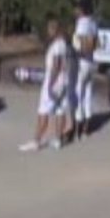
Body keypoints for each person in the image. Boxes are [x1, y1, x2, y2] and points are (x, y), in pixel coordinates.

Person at [19, 20, 73, 152]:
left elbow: (56, 65)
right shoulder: (65, 45)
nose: (48, 32)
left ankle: (36, 141)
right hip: (64, 81)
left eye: (50, 29)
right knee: (60, 110)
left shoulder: (57, 46)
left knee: (43, 110)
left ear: (55, 30)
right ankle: (58, 140)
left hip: (55, 81)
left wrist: (50, 84)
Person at [71, 0, 99, 141]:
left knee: (78, 95)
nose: (74, 11)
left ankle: (77, 130)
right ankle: (86, 130)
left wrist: (75, 53)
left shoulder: (81, 24)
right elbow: (95, 44)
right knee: (88, 94)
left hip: (81, 61)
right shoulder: (93, 23)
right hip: (91, 61)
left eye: (76, 8)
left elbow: (83, 45)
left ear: (81, 10)